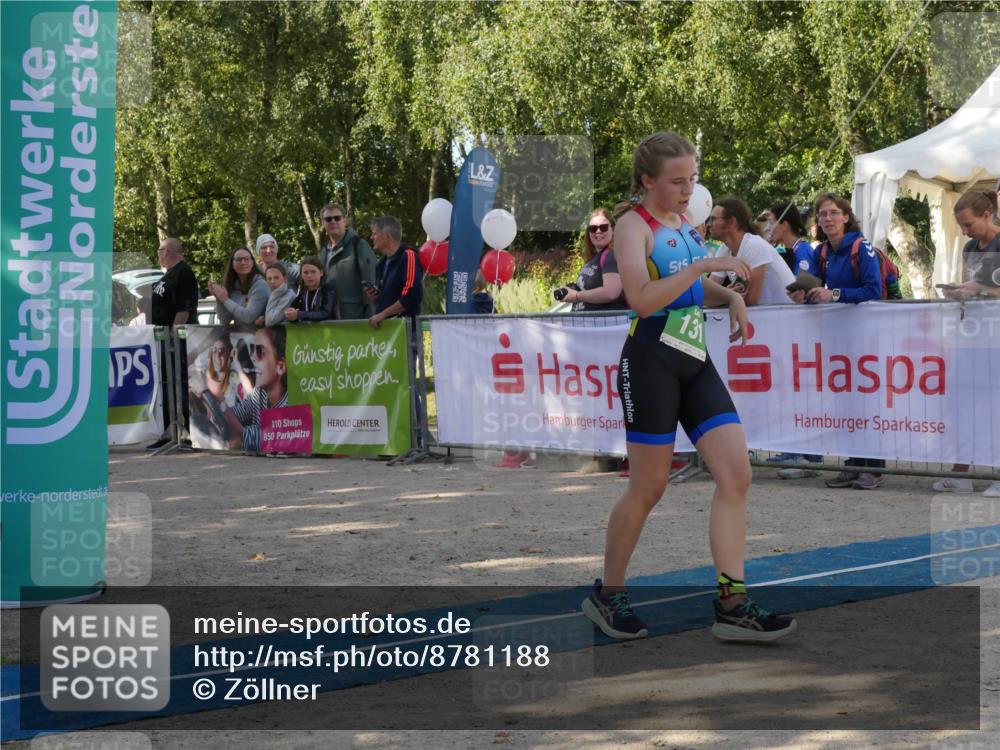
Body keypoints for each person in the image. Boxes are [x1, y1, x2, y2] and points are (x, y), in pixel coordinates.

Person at [581, 131, 797, 643]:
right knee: (649, 486)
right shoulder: (634, 227)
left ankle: (732, 602)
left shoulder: (682, 224)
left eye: (692, 179)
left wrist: (731, 297)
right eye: (677, 181)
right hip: (651, 360)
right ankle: (607, 594)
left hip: (694, 360)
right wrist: (704, 266)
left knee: (736, 475)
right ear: (647, 181)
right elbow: (642, 298)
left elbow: (693, 286)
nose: (687, 190)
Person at [789, 193, 884, 490]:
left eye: (833, 213)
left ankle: (873, 468)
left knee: (867, 402)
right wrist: (801, 293)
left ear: (846, 216)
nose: (827, 219)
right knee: (846, 402)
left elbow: (874, 289)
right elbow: (812, 282)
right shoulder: (822, 252)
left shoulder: (861, 246)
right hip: (840, 338)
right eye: (822, 214)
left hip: (866, 336)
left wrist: (835, 295)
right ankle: (853, 464)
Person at [932, 190, 1000, 497]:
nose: (964, 232)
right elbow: (970, 285)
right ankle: (961, 472)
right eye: (961, 226)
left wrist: (979, 291)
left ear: (987, 215)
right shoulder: (971, 246)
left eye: (968, 224)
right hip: (973, 337)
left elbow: (989, 290)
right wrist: (959, 291)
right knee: (963, 406)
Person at [147, 237, 200, 450]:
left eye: (160, 250)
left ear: (169, 251)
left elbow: (183, 310)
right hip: (162, 336)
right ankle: (169, 431)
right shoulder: (167, 275)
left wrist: (172, 335)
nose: (158, 253)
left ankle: (190, 431)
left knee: (181, 383)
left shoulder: (184, 273)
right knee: (167, 384)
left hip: (177, 339)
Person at [708, 197, 795, 306]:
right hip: (769, 316)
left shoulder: (755, 245)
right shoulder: (724, 249)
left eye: (714, 219)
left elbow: (751, 301)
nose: (708, 224)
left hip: (785, 316)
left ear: (731, 222)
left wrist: (726, 296)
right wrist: (727, 295)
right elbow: (707, 295)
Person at [214, 326, 288, 454]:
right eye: (252, 349)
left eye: (260, 351)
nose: (253, 357)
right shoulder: (260, 393)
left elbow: (249, 436)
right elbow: (238, 413)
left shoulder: (289, 405)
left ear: (280, 366)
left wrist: (220, 402)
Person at [557, 208, 628, 311]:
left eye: (603, 227)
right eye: (593, 228)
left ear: (613, 229)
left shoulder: (612, 255)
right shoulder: (592, 259)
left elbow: (611, 293)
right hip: (589, 324)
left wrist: (577, 295)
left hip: (606, 325)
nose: (598, 231)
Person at [318, 203, 378, 319]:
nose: (333, 221)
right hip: (330, 318)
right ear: (323, 223)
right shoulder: (323, 251)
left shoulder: (359, 245)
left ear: (344, 221)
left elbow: (371, 282)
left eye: (337, 218)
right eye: (328, 219)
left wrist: (371, 315)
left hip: (356, 317)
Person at [366, 216, 423, 329]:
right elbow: (387, 297)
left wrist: (383, 314)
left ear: (387, 236)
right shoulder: (381, 263)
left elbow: (412, 295)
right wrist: (376, 297)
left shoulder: (408, 256)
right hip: (386, 330)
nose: (372, 237)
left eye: (375, 233)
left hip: (405, 331)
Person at [209, 247, 269, 333]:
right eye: (239, 259)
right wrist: (219, 299)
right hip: (240, 339)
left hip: (261, 339)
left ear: (252, 263)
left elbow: (248, 317)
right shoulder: (232, 286)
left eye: (247, 259)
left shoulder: (261, 285)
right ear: (232, 264)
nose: (243, 262)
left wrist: (225, 300)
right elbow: (224, 321)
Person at [766, 202, 819, 276]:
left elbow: (801, 285)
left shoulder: (803, 251)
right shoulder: (784, 250)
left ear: (784, 225)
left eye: (771, 223)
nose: (767, 228)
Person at [286, 256, 337, 323]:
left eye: (313, 272)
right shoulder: (303, 292)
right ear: (301, 275)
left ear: (321, 273)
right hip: (307, 333)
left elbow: (326, 313)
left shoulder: (328, 290)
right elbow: (293, 311)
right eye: (305, 273)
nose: (309, 275)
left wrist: (300, 314)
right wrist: (291, 315)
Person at [259, 263, 297, 327]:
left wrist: (274, 294)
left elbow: (270, 321)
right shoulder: (269, 293)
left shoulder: (289, 296)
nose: (272, 281)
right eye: (269, 278)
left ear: (285, 278)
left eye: (276, 278)